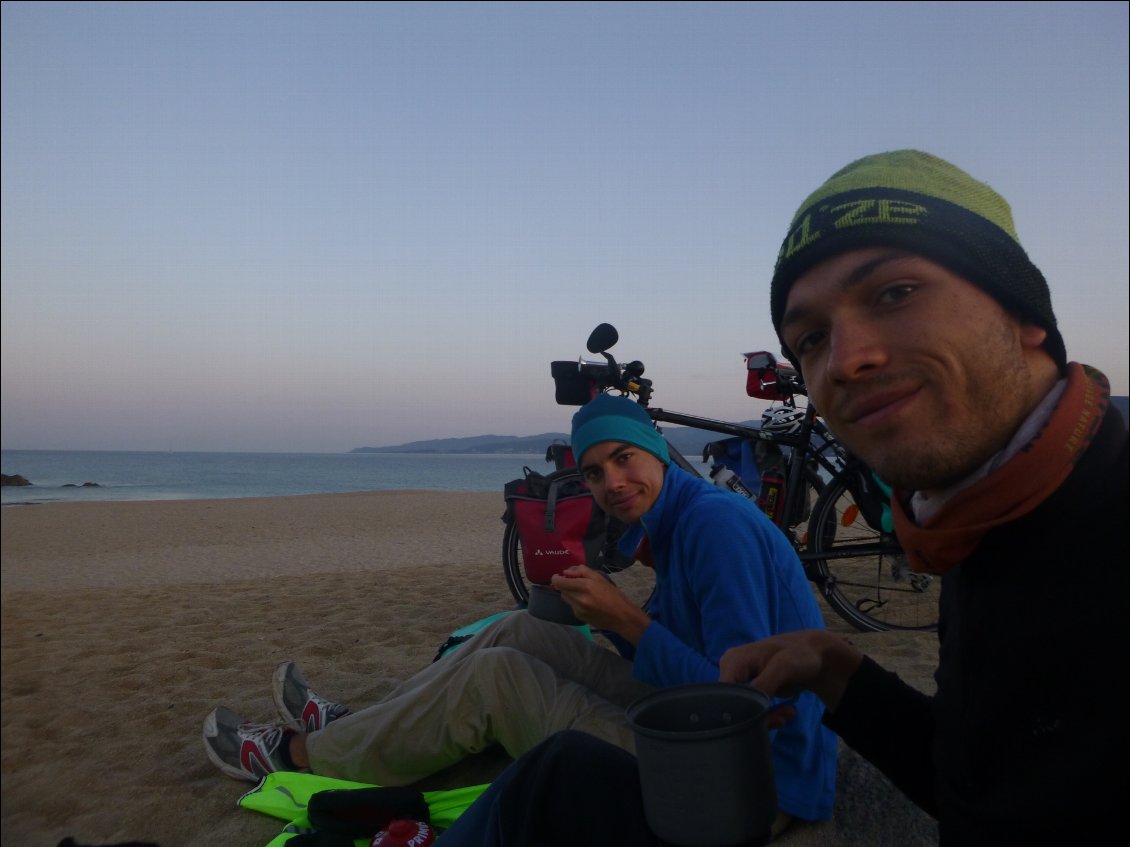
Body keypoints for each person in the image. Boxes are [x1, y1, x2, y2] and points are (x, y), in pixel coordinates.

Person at [440, 149, 1129, 846]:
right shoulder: (984, 525)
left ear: (1021, 309)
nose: (847, 358)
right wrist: (839, 670)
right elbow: (977, 781)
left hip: (756, 780)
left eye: (895, 292)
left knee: (548, 772)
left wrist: (625, 618)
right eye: (811, 338)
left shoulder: (1081, 526)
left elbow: (728, 706)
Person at [203, 392, 837, 827]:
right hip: (705, 740)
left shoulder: (714, 528)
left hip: (747, 784)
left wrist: (625, 618)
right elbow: (679, 658)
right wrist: (594, 615)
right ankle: (358, 727)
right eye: (593, 473)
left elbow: (743, 705)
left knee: (497, 677)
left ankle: (303, 756)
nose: (611, 483)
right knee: (521, 626)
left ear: (659, 452)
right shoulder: (677, 524)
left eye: (625, 459)